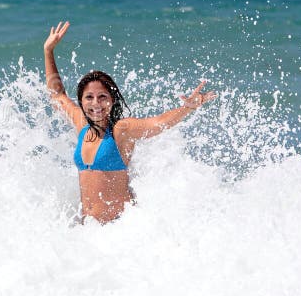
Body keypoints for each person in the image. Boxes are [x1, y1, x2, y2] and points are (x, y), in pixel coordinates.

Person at [43, 21, 217, 223]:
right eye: (89, 97)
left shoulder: (121, 130)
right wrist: (48, 51)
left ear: (112, 100)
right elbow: (57, 96)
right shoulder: (82, 124)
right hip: (88, 233)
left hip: (120, 231)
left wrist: (188, 107)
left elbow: (158, 123)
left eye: (102, 97)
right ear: (81, 101)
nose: (96, 104)